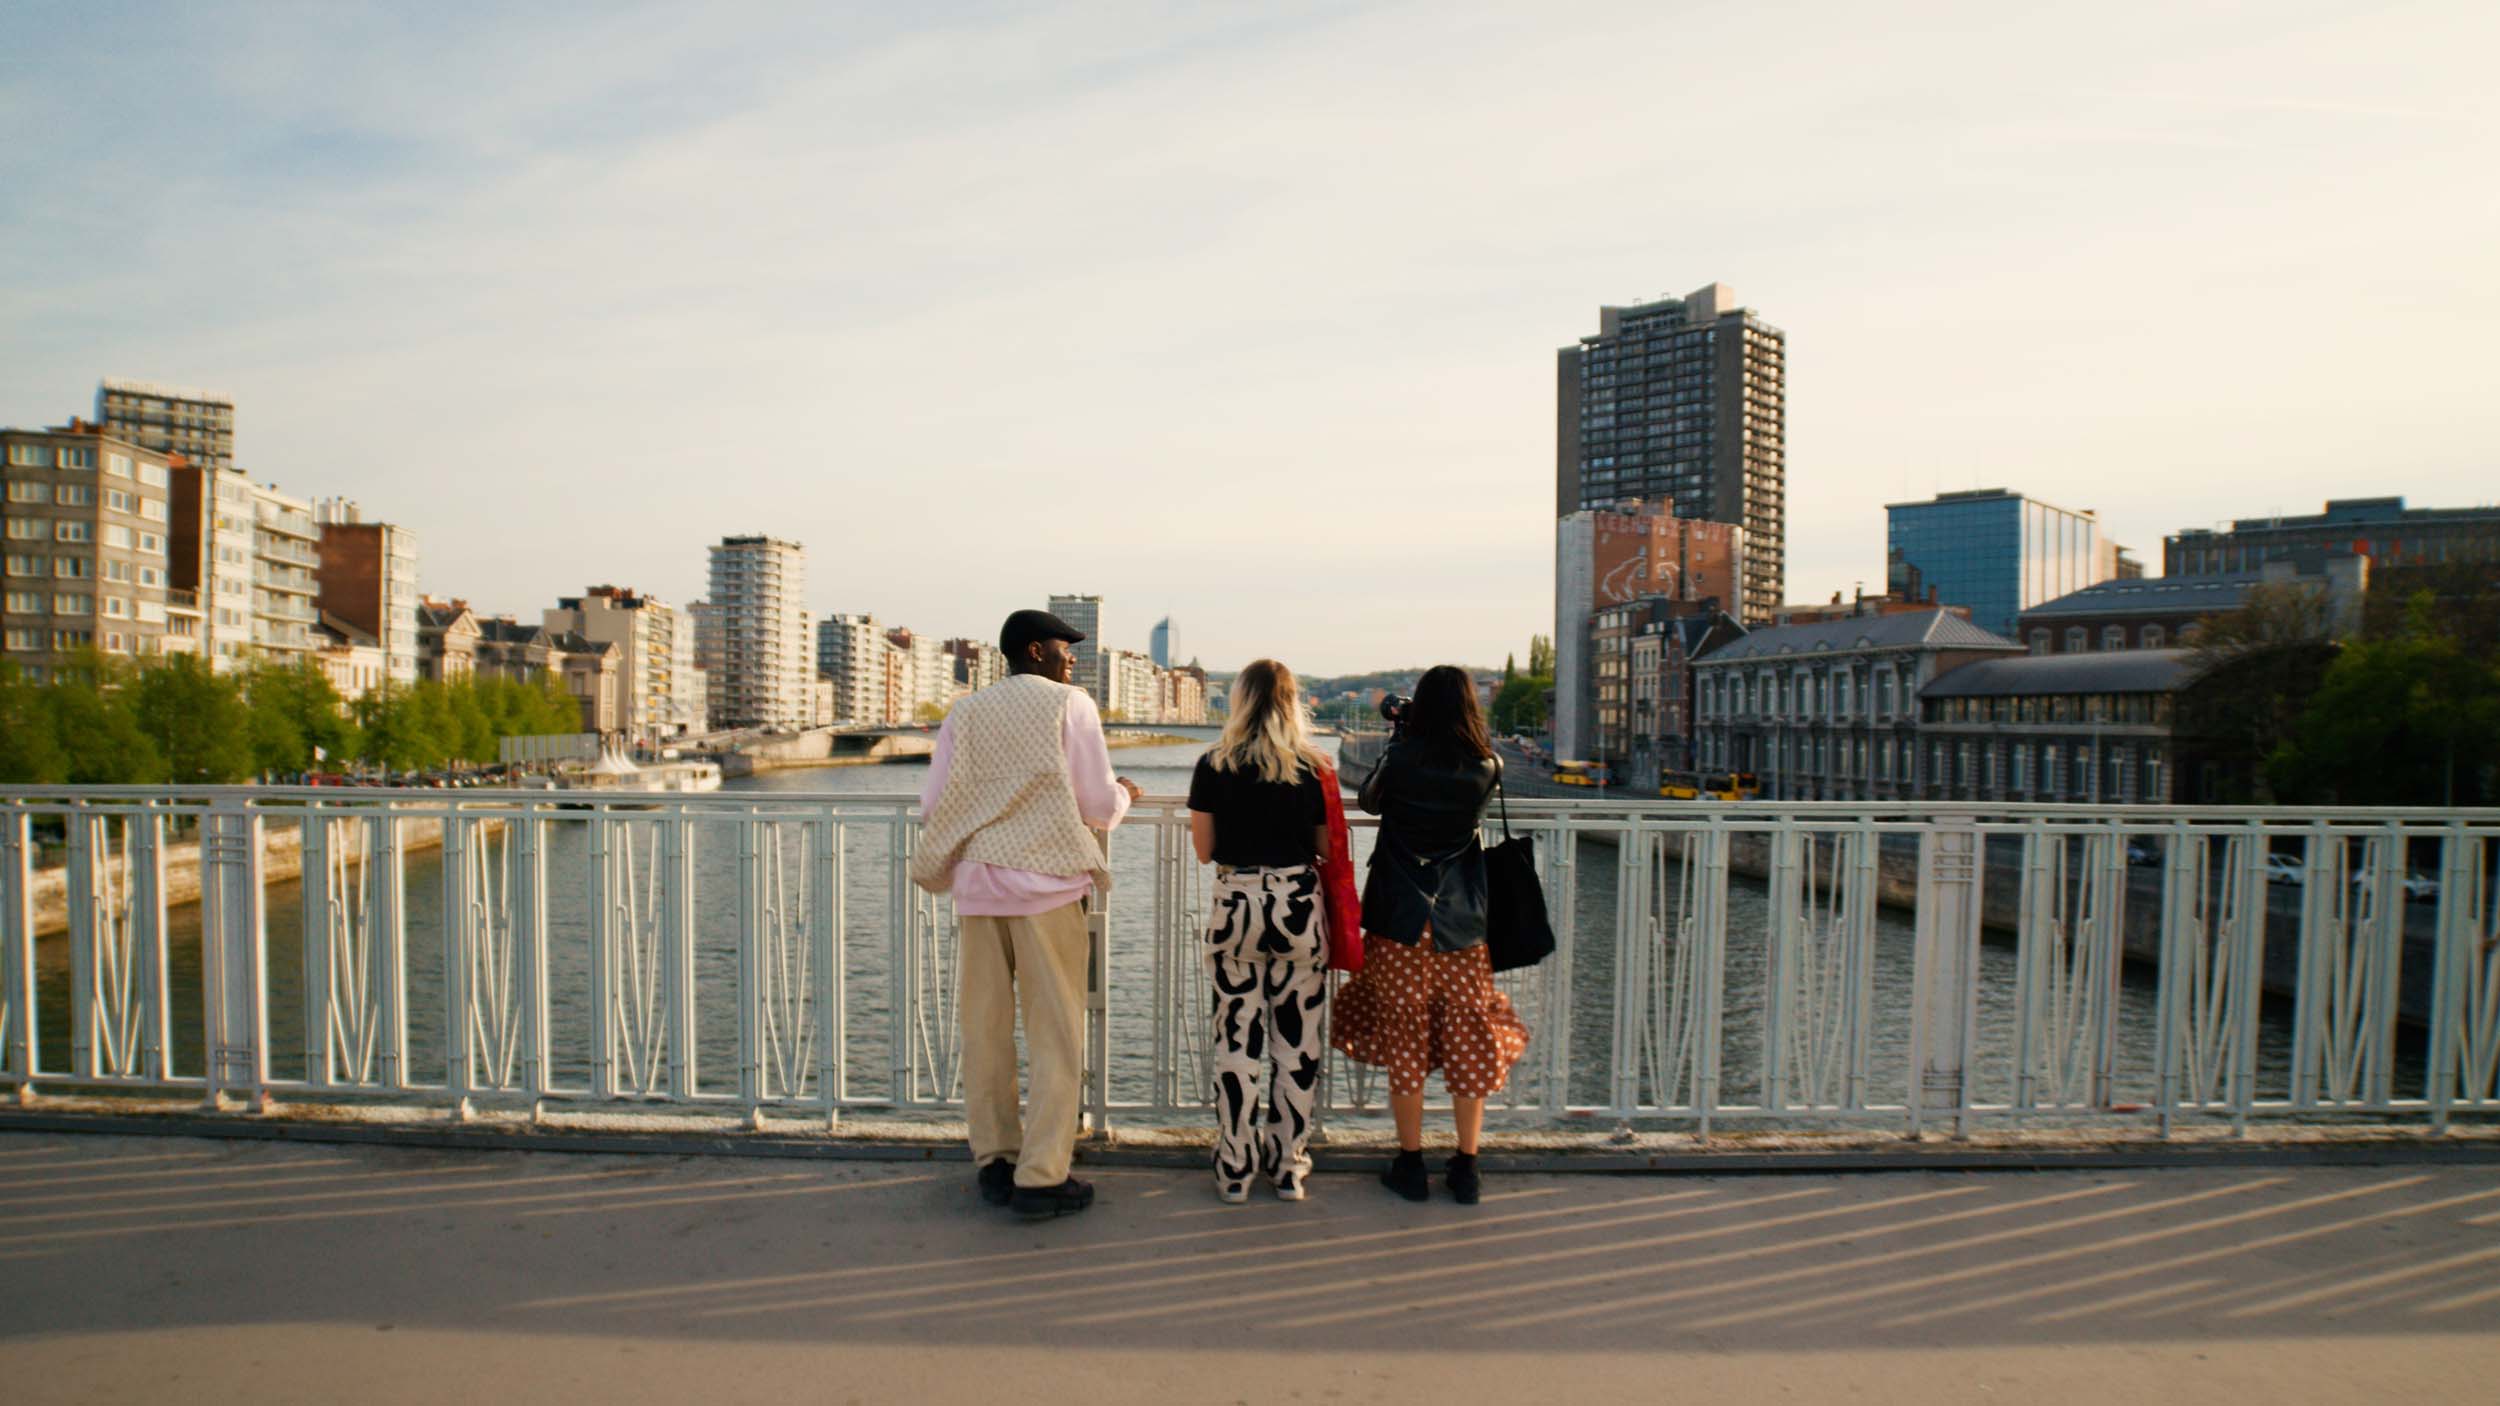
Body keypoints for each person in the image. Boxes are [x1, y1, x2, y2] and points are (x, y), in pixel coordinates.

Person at [911, 608, 1143, 1220]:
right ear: (1036, 650)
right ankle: (1041, 1176)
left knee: (985, 1029)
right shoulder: (1070, 704)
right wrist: (1125, 794)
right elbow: (1096, 806)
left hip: (978, 887)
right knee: (1055, 1035)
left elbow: (933, 805)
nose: (1073, 658)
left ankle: (995, 1161)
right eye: (1066, 647)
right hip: (1047, 888)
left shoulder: (965, 712)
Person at [1328, 663, 1528, 1206]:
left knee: (1405, 1039)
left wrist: (1399, 740)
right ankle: (1466, 1166)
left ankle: (1411, 1163)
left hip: (1399, 919)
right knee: (1468, 1038)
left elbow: (1371, 801)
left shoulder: (1403, 759)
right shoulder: (1488, 765)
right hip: (1461, 925)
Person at [1186, 658, 1334, 1204]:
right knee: (1297, 1043)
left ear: (1240, 701)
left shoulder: (1212, 764)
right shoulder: (1313, 767)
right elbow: (1325, 847)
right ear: (1292, 704)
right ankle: (1288, 1166)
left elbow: (1205, 851)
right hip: (1297, 908)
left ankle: (1235, 1167)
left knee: (1237, 1040)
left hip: (1238, 908)